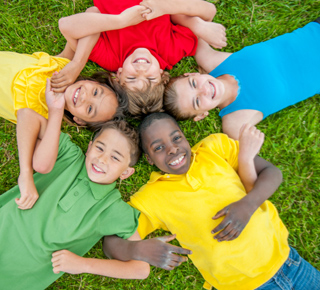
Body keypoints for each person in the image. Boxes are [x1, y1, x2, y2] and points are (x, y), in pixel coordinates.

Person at [103, 113, 320, 290]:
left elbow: (271, 172)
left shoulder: (214, 148)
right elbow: (111, 242)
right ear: (149, 159)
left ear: (185, 137)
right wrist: (138, 250)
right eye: (158, 148)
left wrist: (248, 204)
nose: (172, 149)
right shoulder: (151, 197)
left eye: (176, 138)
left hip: (292, 263)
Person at [0, 109, 190, 289]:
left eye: (115, 158)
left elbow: (141, 269)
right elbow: (26, 115)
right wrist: (25, 173)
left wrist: (83, 264)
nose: (102, 159)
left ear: (126, 172)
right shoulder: (68, 156)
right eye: (99, 148)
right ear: (89, 147)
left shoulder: (112, 208)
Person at [52, 0, 227, 117]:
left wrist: (78, 63)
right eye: (150, 78)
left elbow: (70, 23)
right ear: (162, 75)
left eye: (131, 78)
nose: (141, 70)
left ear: (118, 75)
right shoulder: (171, 52)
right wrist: (197, 24)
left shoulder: (112, 60)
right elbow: (208, 10)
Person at [164, 18, 320, 139]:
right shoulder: (234, 122)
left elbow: (182, 17)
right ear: (201, 115)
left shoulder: (212, 60)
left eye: (193, 84)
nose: (203, 90)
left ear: (192, 74)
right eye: (197, 101)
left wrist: (199, 25)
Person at [0, 51, 126, 127]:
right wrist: (77, 63)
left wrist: (55, 112)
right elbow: (87, 19)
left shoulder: (43, 119)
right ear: (93, 81)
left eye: (90, 109)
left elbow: (41, 163)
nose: (85, 98)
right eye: (95, 92)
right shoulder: (63, 67)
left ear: (80, 120)